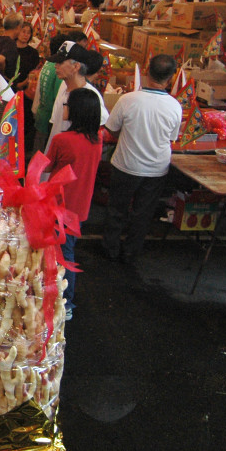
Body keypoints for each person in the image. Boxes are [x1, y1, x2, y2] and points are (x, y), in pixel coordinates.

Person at [103, 55, 181, 264]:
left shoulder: (128, 100)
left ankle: (110, 249)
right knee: (143, 213)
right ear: (170, 78)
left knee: (117, 209)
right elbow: (171, 138)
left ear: (147, 72)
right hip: (156, 169)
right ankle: (131, 253)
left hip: (126, 164)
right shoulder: (175, 106)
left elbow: (111, 129)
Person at [44, 86, 103, 320]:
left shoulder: (62, 140)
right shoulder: (97, 139)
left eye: (67, 105)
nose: (64, 108)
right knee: (67, 249)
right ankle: (60, 297)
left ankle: (66, 303)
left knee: (63, 253)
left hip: (59, 206)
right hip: (80, 208)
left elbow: (46, 165)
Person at [46, 41, 107, 150]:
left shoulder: (89, 97)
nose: (56, 66)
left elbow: (99, 132)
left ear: (76, 66)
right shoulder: (64, 87)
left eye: (60, 62)